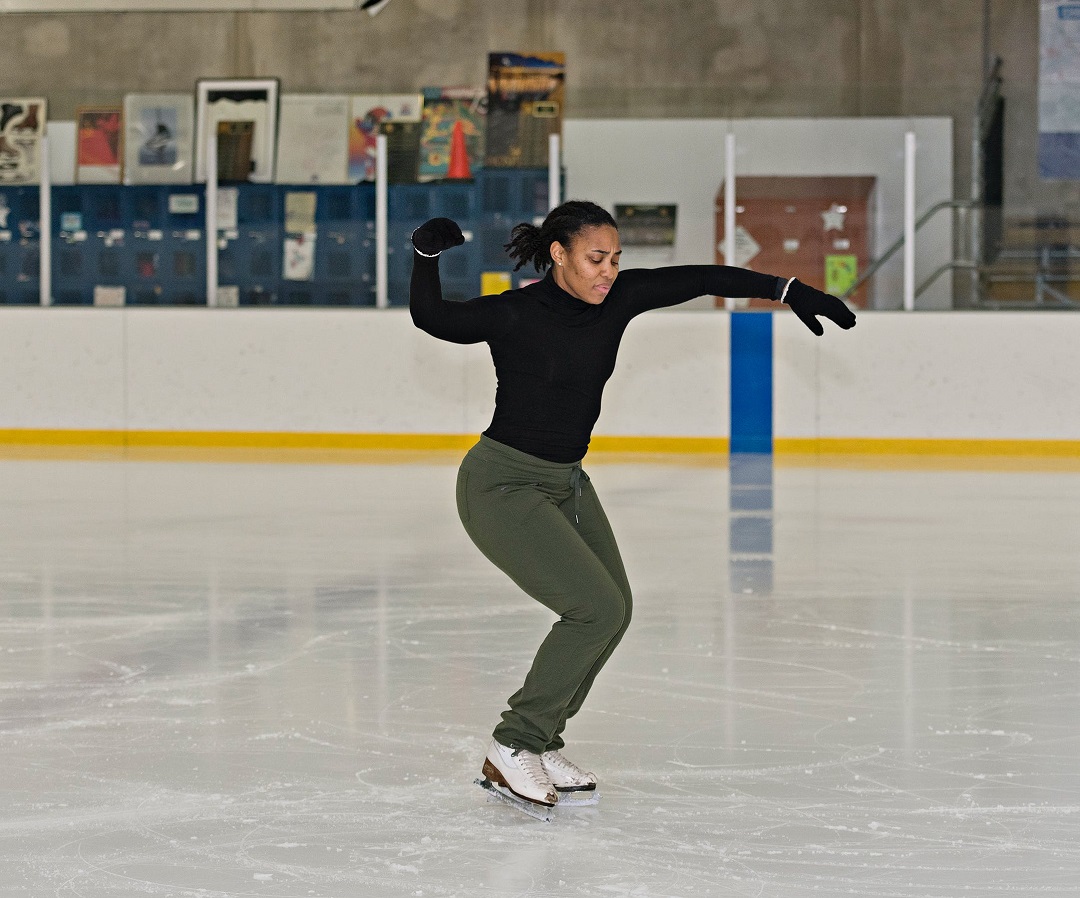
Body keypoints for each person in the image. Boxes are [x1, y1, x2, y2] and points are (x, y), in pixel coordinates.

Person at [409, 201, 855, 810]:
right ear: (559, 254)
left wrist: (789, 289)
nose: (608, 272)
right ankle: (513, 745)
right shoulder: (516, 311)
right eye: (596, 259)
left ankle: (540, 742)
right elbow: (435, 318)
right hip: (502, 485)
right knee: (593, 608)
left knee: (614, 609)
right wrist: (426, 255)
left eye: (617, 259)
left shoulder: (617, 298)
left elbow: (704, 278)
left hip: (564, 481)